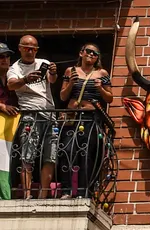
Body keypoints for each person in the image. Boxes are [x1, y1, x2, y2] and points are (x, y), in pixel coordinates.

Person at [6, 35, 58, 199]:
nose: (30, 51)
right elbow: (11, 84)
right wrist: (25, 79)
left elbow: (52, 80)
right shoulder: (15, 68)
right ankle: (27, 195)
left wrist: (54, 73)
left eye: (33, 49)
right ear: (20, 48)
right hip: (30, 114)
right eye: (27, 48)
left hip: (50, 113)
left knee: (51, 155)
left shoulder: (44, 63)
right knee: (27, 155)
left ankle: (43, 194)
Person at [58, 43, 112, 198]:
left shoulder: (102, 73)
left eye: (96, 53)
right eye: (89, 51)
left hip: (91, 117)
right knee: (67, 151)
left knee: (87, 153)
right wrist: (71, 84)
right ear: (81, 53)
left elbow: (110, 98)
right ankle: (66, 190)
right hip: (72, 116)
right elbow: (62, 96)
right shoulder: (71, 71)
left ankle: (83, 191)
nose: (92, 55)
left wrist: (101, 88)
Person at [0, 43, 18, 118]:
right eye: (1, 56)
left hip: (16, 119)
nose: (5, 59)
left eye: (7, 56)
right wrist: (2, 106)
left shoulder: (16, 73)